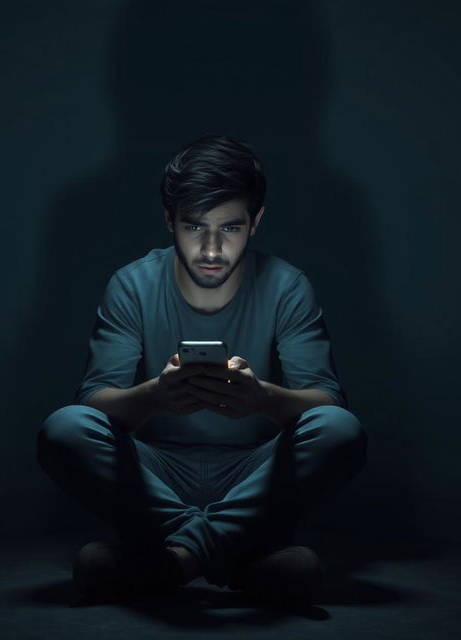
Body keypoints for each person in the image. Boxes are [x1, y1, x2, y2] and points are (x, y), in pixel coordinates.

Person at [37, 134, 367, 609]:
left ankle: (169, 561)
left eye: (229, 229)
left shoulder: (288, 285)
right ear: (169, 220)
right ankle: (235, 559)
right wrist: (156, 395)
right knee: (65, 427)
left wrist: (263, 399)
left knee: (340, 429)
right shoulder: (131, 284)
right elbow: (94, 403)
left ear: (255, 223)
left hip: (254, 473)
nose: (211, 249)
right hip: (157, 474)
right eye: (195, 227)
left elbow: (328, 403)